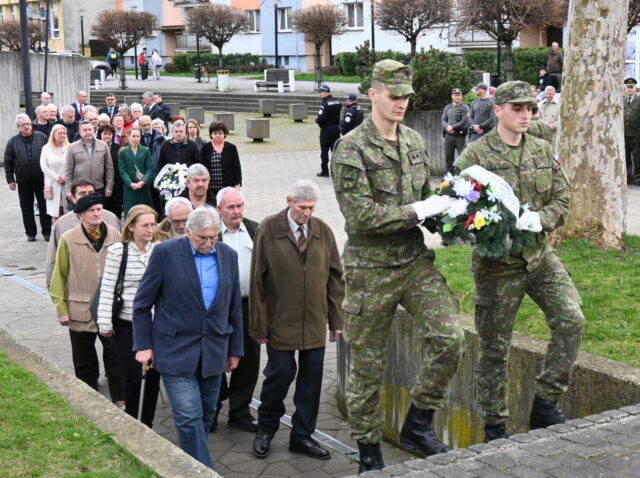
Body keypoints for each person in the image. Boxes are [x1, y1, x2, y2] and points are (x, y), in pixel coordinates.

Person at [330, 59, 464, 473]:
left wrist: (460, 214)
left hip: (412, 261)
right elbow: (361, 216)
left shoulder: (412, 141)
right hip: (371, 268)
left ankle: (418, 424)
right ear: (373, 94)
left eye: (407, 95)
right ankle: (368, 451)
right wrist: (416, 209)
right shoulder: (350, 148)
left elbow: (428, 198)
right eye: (394, 95)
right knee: (368, 366)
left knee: (450, 338)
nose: (402, 102)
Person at [454, 80, 584, 443]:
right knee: (495, 349)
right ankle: (495, 426)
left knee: (571, 319)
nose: (526, 115)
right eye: (518, 108)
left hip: (540, 256)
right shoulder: (475, 158)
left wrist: (539, 220)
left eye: (530, 109)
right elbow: (461, 213)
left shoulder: (543, 150)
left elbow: (563, 196)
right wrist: (498, 226)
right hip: (498, 266)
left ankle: (545, 403)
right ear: (498, 110)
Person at [133, 206, 243, 468]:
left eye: (213, 237)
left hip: (214, 350)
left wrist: (235, 349)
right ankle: (205, 471)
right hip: (174, 349)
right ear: (188, 232)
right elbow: (141, 303)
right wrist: (143, 345)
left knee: (206, 414)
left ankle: (191, 464)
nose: (208, 243)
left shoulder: (229, 255)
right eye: (202, 238)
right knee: (187, 416)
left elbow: (234, 307)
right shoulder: (165, 253)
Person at [250, 179, 344, 461]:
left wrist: (336, 320)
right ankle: (266, 428)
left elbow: (336, 279)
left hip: (314, 321)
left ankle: (302, 436)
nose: (307, 213)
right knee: (278, 376)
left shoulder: (323, 231)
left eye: (312, 207)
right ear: (289, 201)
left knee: (311, 381)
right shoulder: (268, 229)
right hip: (280, 322)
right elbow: (257, 281)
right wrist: (259, 324)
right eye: (302, 207)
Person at [49, 192, 126, 407]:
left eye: (99, 209)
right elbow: (59, 276)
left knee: (115, 357)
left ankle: (121, 399)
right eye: (91, 211)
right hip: (79, 308)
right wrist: (61, 308)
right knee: (83, 360)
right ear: (80, 215)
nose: (97, 213)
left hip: (110, 308)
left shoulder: (114, 235)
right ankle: (88, 399)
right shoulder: (68, 239)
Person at [98, 204, 160, 427]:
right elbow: (107, 288)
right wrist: (104, 323)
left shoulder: (160, 250)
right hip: (126, 325)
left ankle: (148, 423)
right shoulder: (118, 251)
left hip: (155, 325)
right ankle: (135, 422)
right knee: (134, 376)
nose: (150, 230)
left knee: (153, 376)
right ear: (131, 226)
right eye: (145, 225)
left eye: (153, 224)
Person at [213, 187, 260, 433]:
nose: (236, 211)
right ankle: (211, 408)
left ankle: (240, 411)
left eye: (239, 206)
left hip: (248, 305)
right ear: (219, 210)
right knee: (215, 357)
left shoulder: (255, 230)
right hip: (217, 309)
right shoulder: (210, 231)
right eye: (230, 207)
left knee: (248, 361)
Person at [45, 180, 122, 288]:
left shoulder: (111, 219)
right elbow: (53, 261)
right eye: (82, 194)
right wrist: (52, 288)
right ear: (73, 198)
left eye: (91, 193)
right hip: (79, 291)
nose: (87, 197)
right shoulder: (61, 225)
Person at [5, 114, 52, 241]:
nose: (26, 127)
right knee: (26, 207)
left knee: (44, 206)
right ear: (18, 127)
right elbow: (8, 162)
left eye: (28, 124)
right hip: (23, 180)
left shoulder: (41, 137)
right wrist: (10, 180)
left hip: (42, 179)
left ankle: (47, 232)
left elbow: (50, 155)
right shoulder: (12, 142)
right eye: (23, 125)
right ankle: (30, 233)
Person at [65, 120, 114, 200]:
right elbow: (68, 170)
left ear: (94, 131)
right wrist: (68, 190)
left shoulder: (103, 145)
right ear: (80, 132)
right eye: (85, 130)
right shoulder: (72, 147)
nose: (88, 132)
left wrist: (109, 186)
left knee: (97, 211)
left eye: (90, 129)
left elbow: (109, 168)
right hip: (80, 188)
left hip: (98, 187)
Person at [200, 121, 242, 201]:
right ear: (211, 135)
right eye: (215, 133)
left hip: (227, 186)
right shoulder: (206, 148)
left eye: (220, 133)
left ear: (224, 134)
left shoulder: (231, 147)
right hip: (210, 187)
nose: (217, 135)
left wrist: (237, 184)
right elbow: (202, 166)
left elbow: (237, 167)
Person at [119, 128, 155, 218]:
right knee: (131, 213)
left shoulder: (146, 150)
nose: (136, 138)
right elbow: (122, 171)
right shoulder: (123, 152)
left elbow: (150, 169)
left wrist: (143, 181)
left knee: (145, 212)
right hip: (130, 188)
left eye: (138, 136)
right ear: (129, 137)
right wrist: (130, 183)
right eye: (133, 136)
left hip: (143, 187)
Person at [40, 124, 70, 222]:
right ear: (53, 135)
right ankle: (56, 234)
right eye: (60, 133)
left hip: (67, 183)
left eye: (64, 133)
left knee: (68, 212)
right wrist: (57, 177)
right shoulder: (46, 148)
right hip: (53, 184)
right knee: (55, 213)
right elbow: (44, 166)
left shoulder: (70, 147)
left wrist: (65, 176)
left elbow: (73, 164)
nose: (62, 135)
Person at [97, 124, 124, 219]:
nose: (107, 136)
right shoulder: (95, 147)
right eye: (105, 134)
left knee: (115, 209)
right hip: (100, 182)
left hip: (116, 184)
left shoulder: (119, 148)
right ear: (100, 134)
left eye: (110, 134)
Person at [315, 84, 341, 177]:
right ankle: (337, 171)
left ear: (326, 92)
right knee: (336, 151)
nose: (320, 94)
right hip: (336, 129)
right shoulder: (338, 102)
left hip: (326, 130)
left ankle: (325, 171)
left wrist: (317, 121)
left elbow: (320, 118)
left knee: (324, 151)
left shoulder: (324, 104)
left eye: (321, 92)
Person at [441, 87, 470, 173]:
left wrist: (453, 127)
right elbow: (443, 120)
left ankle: (463, 176)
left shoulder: (465, 107)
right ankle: (449, 177)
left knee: (462, 157)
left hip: (459, 136)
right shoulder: (447, 107)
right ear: (452, 96)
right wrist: (447, 127)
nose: (457, 97)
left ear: (461, 96)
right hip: (449, 136)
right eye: (455, 95)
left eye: (459, 95)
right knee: (448, 157)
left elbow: (465, 121)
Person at [624, 77, 640, 184]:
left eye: (632, 87)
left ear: (635, 88)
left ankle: (638, 178)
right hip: (624, 133)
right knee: (626, 157)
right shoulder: (621, 100)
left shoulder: (638, 100)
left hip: (636, 133)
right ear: (625, 88)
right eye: (628, 87)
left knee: (637, 157)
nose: (630, 89)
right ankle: (627, 177)